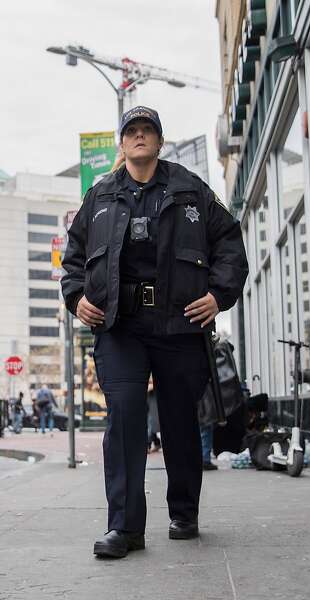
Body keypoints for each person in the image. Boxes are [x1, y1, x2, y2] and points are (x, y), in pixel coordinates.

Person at [61, 106, 248, 559]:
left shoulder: (190, 190)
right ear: (122, 143)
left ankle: (184, 511)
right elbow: (74, 257)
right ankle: (125, 528)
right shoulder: (100, 196)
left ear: (160, 142)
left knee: (179, 419)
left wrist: (218, 296)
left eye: (148, 130)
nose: (140, 136)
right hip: (120, 325)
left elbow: (230, 244)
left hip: (179, 323)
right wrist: (77, 296)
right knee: (124, 417)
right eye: (132, 131)